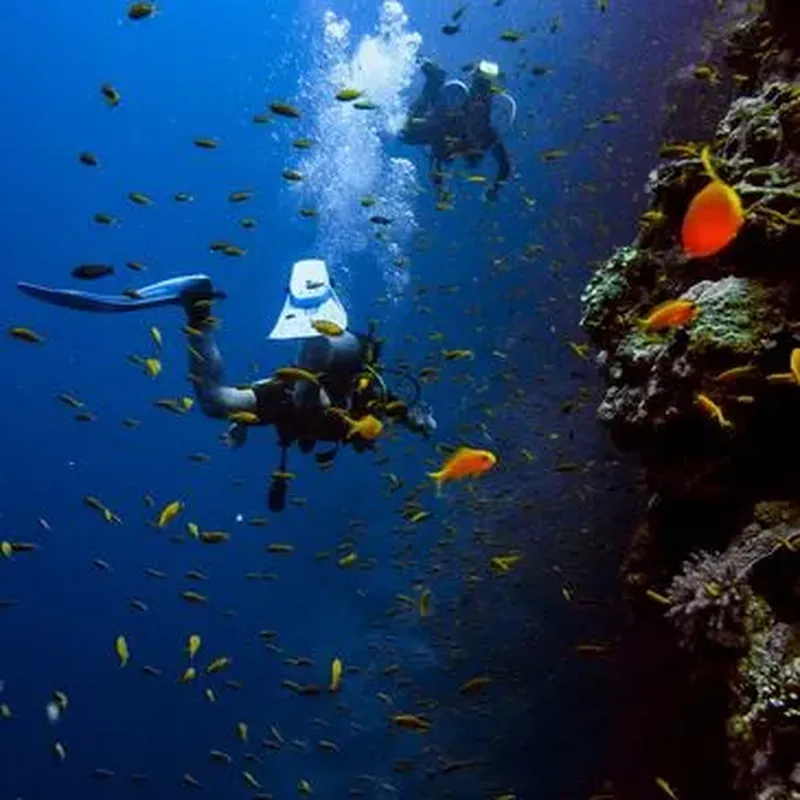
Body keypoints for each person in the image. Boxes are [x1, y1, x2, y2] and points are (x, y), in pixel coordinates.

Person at [17, 259, 437, 512]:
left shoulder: (340, 412)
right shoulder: (368, 404)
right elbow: (390, 404)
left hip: (297, 393)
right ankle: (313, 326)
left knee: (218, 401)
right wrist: (417, 420)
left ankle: (198, 309)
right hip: (315, 387)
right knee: (303, 386)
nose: (366, 443)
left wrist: (242, 419)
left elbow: (280, 387)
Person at [399, 59, 515, 202]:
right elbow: (504, 165)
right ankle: (433, 83)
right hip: (442, 120)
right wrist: (494, 189)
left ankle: (434, 83)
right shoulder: (486, 137)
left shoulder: (487, 137)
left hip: (444, 119)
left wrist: (495, 187)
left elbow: (504, 166)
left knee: (413, 130)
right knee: (406, 134)